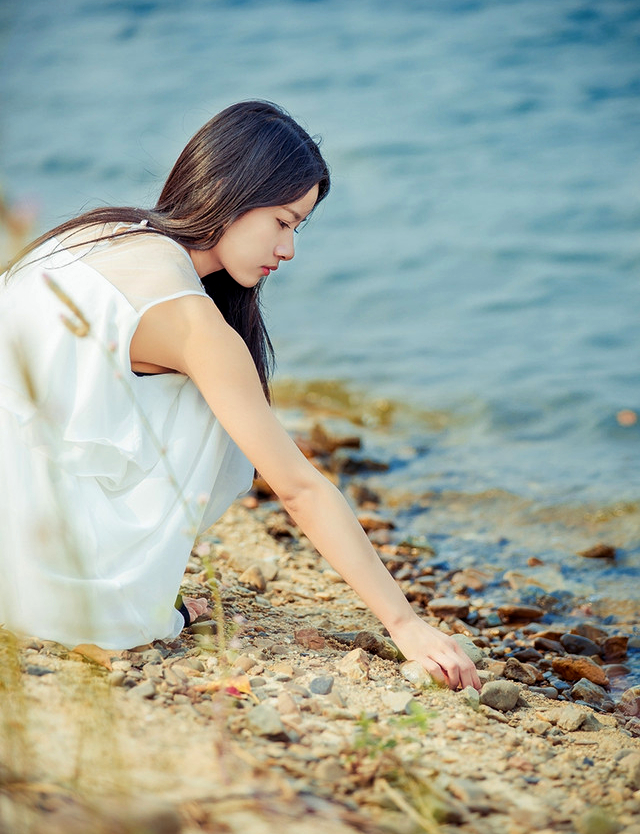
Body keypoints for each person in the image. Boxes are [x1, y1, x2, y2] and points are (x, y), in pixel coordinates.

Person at [0, 100, 480, 691]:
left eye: (298, 228)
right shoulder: (195, 325)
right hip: (31, 577)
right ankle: (111, 585)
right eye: (282, 221)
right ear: (230, 189)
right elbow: (300, 489)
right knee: (221, 401)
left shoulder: (99, 232)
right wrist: (406, 625)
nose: (290, 250)